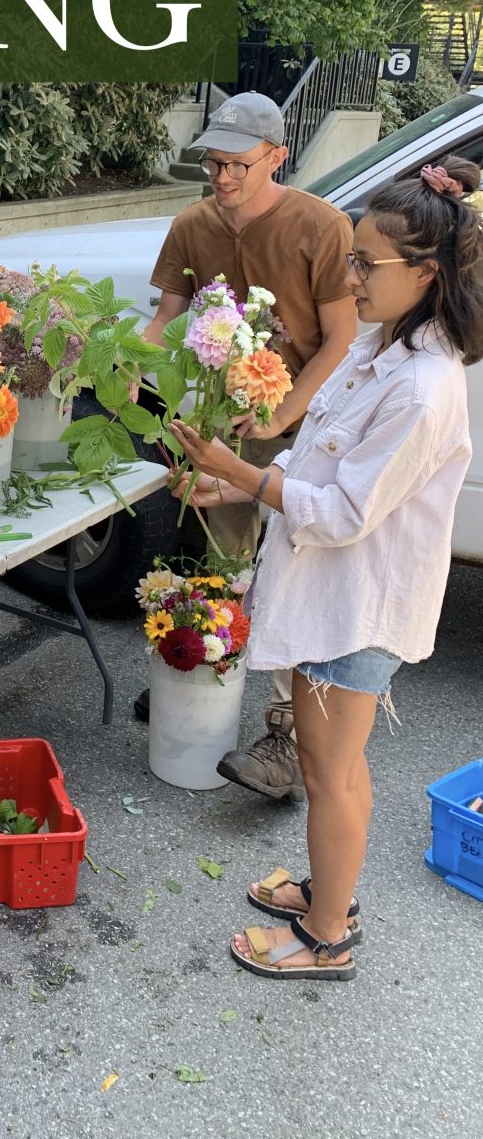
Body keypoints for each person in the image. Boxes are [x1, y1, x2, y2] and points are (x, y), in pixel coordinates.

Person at [169, 158, 481, 979]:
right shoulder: (382, 345)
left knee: (326, 768)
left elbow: (343, 513)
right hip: (336, 593)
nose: (349, 277)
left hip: (362, 606)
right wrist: (231, 482)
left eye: (364, 264)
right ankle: (328, 893)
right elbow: (315, 460)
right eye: (352, 256)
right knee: (334, 762)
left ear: (427, 272)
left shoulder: (425, 387)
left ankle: (327, 935)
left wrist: (240, 473)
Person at [136, 91, 358, 799]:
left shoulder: (322, 226)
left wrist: (283, 414)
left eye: (237, 164)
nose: (222, 177)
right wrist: (113, 364)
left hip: (309, 425)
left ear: (277, 157)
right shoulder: (191, 225)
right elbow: (166, 323)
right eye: (213, 161)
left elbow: (342, 339)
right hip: (221, 422)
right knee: (225, 564)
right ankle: (207, 686)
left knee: (297, 575)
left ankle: (287, 737)